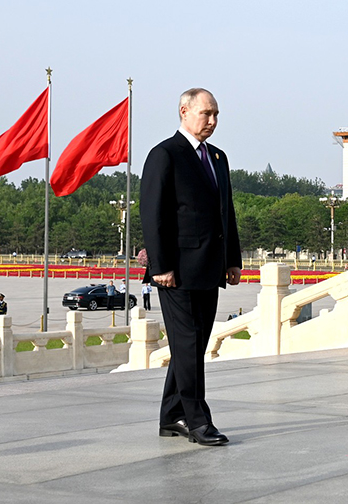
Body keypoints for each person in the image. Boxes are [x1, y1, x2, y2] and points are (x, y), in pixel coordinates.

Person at [140, 87, 242, 446]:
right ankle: (198, 422)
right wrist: (161, 266)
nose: (212, 121)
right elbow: (153, 216)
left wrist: (232, 259)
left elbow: (225, 213)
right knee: (186, 345)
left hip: (209, 268)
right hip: (175, 273)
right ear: (184, 111)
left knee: (194, 346)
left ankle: (171, 415)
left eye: (216, 115)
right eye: (205, 114)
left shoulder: (217, 157)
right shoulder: (165, 155)